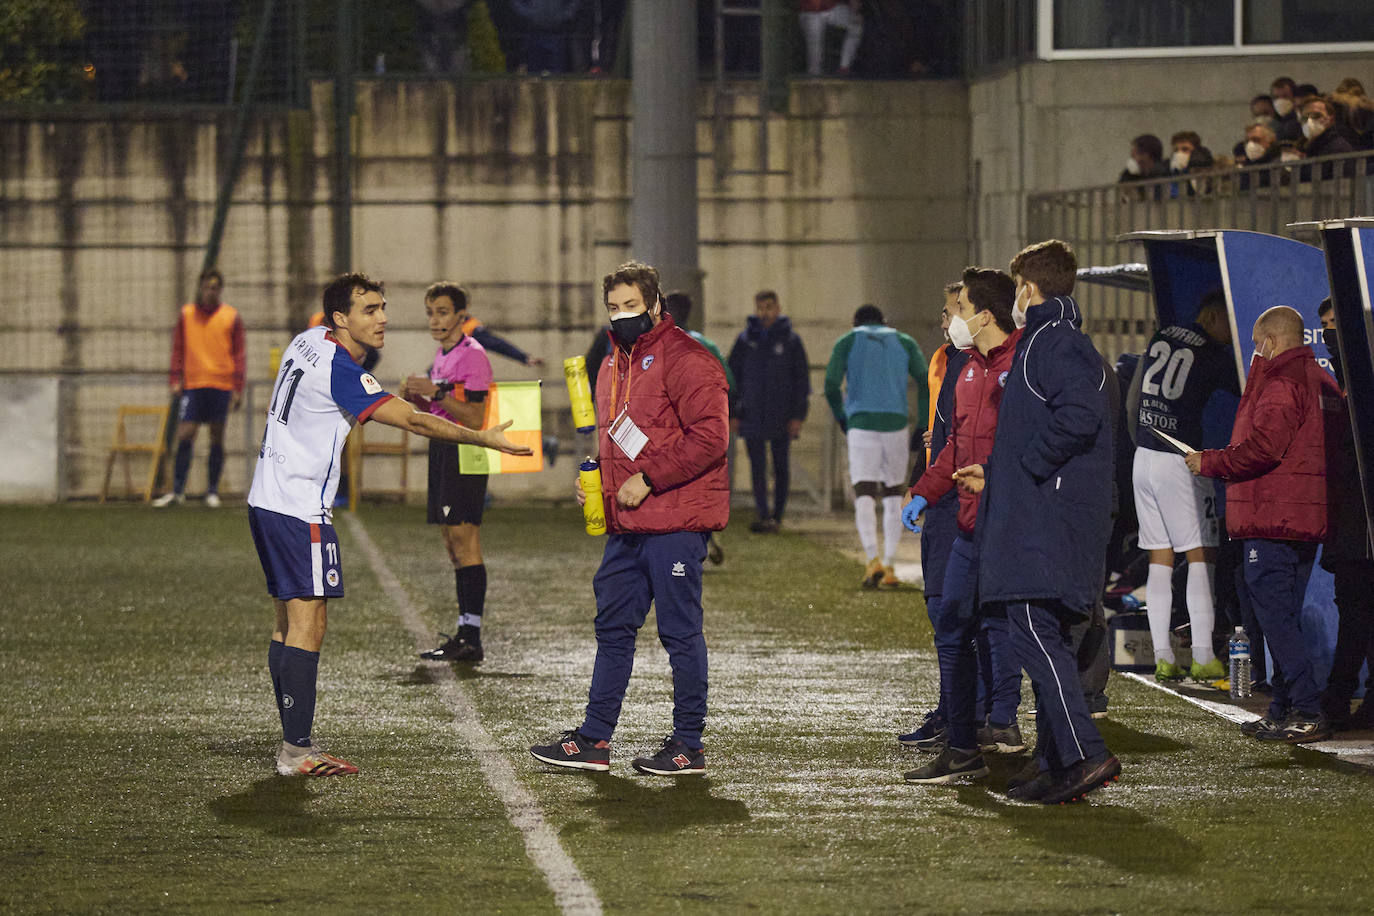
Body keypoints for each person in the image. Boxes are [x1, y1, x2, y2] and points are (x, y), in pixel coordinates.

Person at [249, 272, 531, 777]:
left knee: (286, 622)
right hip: (298, 507)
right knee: (309, 624)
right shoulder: (339, 368)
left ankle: (292, 744)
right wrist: (485, 438)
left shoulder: (307, 339)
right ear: (341, 319)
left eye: (382, 307)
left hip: (266, 499)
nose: (382, 318)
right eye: (369, 310)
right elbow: (416, 420)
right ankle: (296, 751)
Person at [529, 260, 729, 776]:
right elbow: (620, 434)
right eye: (613, 308)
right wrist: (595, 477)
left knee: (680, 634)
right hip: (626, 524)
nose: (621, 317)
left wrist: (650, 479)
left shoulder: (690, 358)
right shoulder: (611, 364)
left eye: (631, 307)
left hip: (675, 523)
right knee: (613, 628)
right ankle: (595, 740)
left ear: (656, 305)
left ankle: (689, 745)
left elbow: (711, 437)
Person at [955, 239, 1120, 805]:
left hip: (1044, 525)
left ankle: (1084, 754)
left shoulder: (1054, 342)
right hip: (1043, 516)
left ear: (1027, 288)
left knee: (1035, 634)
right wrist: (997, 471)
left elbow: (1078, 418)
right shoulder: (1053, 341)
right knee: (1045, 642)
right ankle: (1055, 763)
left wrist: (1023, 467)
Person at [1186, 306, 1344, 743]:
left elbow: (1262, 449)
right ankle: (1283, 708)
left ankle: (1307, 710)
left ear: (1270, 342)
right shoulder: (1323, 381)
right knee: (1285, 617)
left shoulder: (1280, 383)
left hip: (1272, 516)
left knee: (1274, 618)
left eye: (1257, 345)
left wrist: (1209, 462)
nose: (1256, 353)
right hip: (1304, 515)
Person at [901, 267, 1025, 785]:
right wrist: (924, 491)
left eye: (962, 308)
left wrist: (992, 477)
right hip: (973, 525)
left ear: (985, 314)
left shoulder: (1021, 365)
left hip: (1010, 526)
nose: (955, 318)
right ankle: (962, 744)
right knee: (953, 624)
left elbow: (1028, 447)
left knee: (1016, 633)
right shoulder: (969, 367)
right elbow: (953, 443)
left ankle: (1022, 733)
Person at [1131, 292, 1240, 682]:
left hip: (1143, 455)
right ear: (1211, 316)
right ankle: (1203, 654)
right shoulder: (1213, 354)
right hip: (1179, 460)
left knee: (1159, 558)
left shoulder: (1162, 336)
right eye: (1228, 323)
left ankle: (1162, 656)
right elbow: (1243, 388)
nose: (1232, 333)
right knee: (1201, 556)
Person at [402, 283, 498, 664]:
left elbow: (475, 417)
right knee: (450, 542)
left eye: (442, 312)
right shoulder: (444, 354)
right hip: (443, 450)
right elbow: (444, 407)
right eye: (430, 312)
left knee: (465, 540)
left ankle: (471, 637)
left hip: (465, 453)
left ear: (461, 314)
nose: (435, 320)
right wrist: (418, 395)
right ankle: (465, 632)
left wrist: (435, 394)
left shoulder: (473, 355)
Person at [898, 281, 968, 750]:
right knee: (944, 608)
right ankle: (962, 712)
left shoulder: (989, 365)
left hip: (965, 500)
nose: (946, 320)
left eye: (954, 310)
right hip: (942, 494)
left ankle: (984, 719)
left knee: (960, 614)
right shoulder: (949, 358)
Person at [824, 304, 929, 589]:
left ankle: (872, 560)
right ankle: (891, 564)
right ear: (884, 320)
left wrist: (842, 416)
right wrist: (921, 420)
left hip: (861, 424)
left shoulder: (848, 341)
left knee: (864, 492)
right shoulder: (904, 341)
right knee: (894, 493)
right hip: (895, 423)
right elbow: (924, 379)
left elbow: (831, 384)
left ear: (855, 321)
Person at [1315, 299, 1374, 730]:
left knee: (1355, 611)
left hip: (1358, 523)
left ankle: (1337, 697)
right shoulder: (1346, 379)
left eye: (1335, 324)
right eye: (1324, 326)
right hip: (1351, 519)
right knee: (1358, 611)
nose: (1329, 333)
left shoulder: (1358, 377)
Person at [153, 268, 245, 508]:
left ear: (220, 289)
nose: (210, 292)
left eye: (215, 287)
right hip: (193, 384)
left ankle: (212, 491)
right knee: (185, 434)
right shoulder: (187, 315)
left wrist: (238, 387)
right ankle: (178, 490)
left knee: (217, 437)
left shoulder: (230, 316)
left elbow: (239, 354)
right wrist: (175, 378)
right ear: (200, 288)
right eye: (207, 287)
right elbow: (178, 349)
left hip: (221, 384)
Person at [728, 290, 810, 533]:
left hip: (782, 415)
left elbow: (801, 381)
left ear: (778, 308)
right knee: (757, 466)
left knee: (780, 466)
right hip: (751, 415)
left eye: (769, 307)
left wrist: (798, 415)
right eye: (761, 308)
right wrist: (733, 412)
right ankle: (763, 514)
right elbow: (732, 378)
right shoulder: (745, 340)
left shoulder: (791, 341)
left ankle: (778, 515)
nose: (765, 313)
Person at [664, 290, 733, 565]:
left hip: (671, 429)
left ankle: (684, 540)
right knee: (699, 483)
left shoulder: (659, 344)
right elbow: (728, 381)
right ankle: (705, 536)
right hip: (700, 427)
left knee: (672, 483)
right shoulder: (705, 344)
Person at [800, 0, 863, 77]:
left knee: (856, 24)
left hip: (831, 8)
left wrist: (854, 7)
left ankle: (844, 67)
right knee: (815, 59)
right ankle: (814, 77)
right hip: (811, 12)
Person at [1270, 76, 1302, 142]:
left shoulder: (1301, 120)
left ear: (1294, 97)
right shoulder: (1272, 124)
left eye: (1285, 96)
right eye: (1276, 97)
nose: (1280, 101)